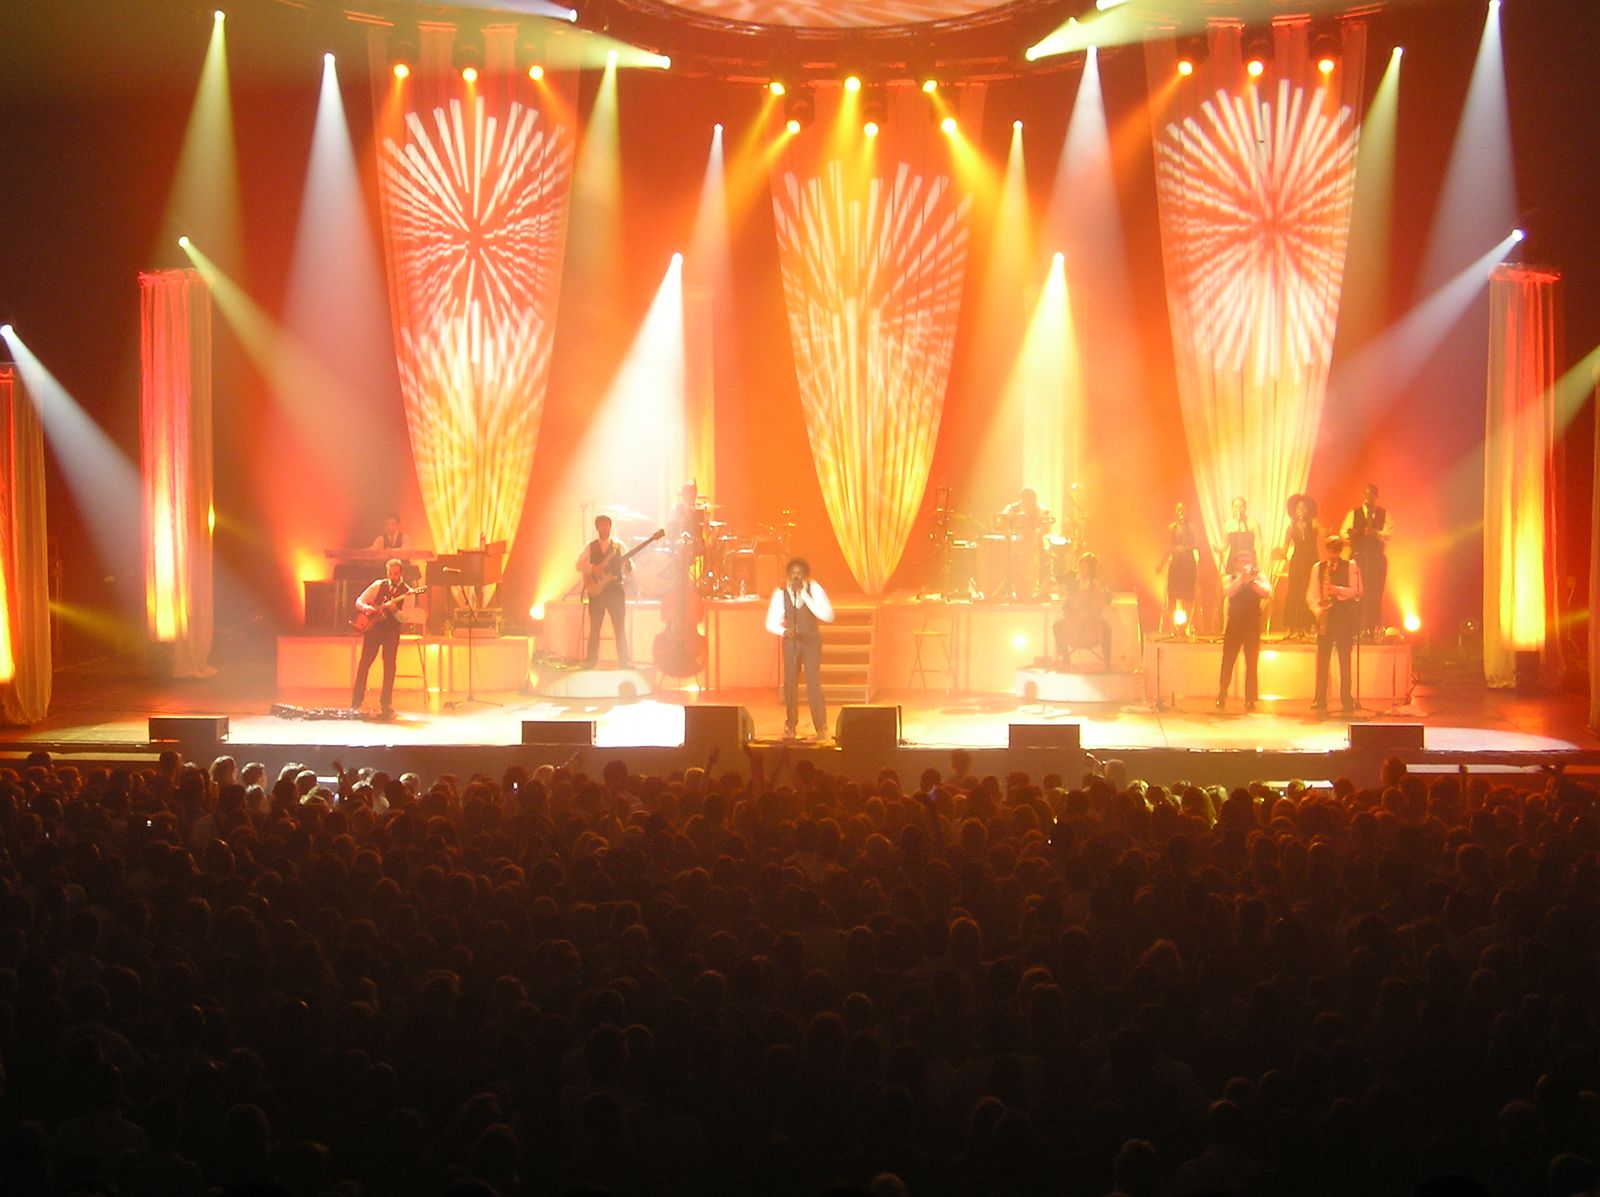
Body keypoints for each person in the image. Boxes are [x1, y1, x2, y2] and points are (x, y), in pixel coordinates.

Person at [765, 557, 834, 739]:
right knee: (790, 684)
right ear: (788, 575)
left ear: (805, 575)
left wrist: (805, 596)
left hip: (811, 642)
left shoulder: (814, 589)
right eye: (793, 573)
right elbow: (770, 622)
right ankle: (791, 724)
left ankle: (821, 726)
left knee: (813, 683)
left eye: (800, 573)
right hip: (792, 643)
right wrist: (783, 631)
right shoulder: (780, 593)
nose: (796, 577)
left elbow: (828, 615)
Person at [1308, 533, 1364, 714]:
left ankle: (1346, 699)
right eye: (1329, 552)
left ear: (1340, 551)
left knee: (1344, 659)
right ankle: (1320, 699)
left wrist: (1338, 590)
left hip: (1343, 616)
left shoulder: (1351, 566)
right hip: (1326, 616)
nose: (1331, 556)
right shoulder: (1318, 567)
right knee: (1322, 660)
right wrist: (1318, 611)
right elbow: (1311, 593)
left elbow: (1357, 590)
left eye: (1335, 552)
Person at [350, 558, 411, 718]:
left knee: (389, 666)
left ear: (401, 573)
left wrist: (395, 610)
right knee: (364, 664)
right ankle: (356, 703)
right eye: (390, 573)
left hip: (391, 631)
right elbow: (359, 601)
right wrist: (367, 608)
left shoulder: (408, 592)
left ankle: (386, 704)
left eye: (395, 573)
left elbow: (405, 618)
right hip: (374, 630)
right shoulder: (378, 585)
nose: (393, 577)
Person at [1216, 549, 1272, 712]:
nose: (1245, 564)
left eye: (1247, 561)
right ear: (1236, 564)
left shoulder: (1259, 578)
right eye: (1241, 561)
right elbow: (1229, 592)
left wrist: (1252, 581)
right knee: (1228, 659)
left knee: (1252, 662)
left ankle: (1250, 698)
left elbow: (1266, 592)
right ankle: (1222, 693)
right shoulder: (1229, 578)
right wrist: (1242, 578)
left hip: (1252, 624)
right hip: (1235, 624)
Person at [576, 514, 631, 670]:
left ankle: (624, 663)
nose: (604, 527)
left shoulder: (619, 546)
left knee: (619, 627)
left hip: (615, 590)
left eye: (607, 524)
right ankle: (591, 661)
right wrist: (593, 568)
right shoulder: (590, 546)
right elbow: (579, 565)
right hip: (597, 593)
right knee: (595, 628)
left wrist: (628, 565)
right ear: (597, 527)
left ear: (610, 526)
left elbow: (629, 570)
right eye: (601, 525)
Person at [1341, 483, 1391, 639]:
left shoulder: (1384, 514)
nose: (1368, 497)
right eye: (1366, 494)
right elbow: (1343, 533)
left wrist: (1375, 533)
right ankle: (1356, 628)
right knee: (1357, 593)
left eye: (1371, 494)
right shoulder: (1354, 513)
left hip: (1376, 558)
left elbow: (1389, 534)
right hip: (1359, 557)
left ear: (1376, 496)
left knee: (1375, 594)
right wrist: (1356, 533)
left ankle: (1371, 628)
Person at [1054, 552, 1112, 669]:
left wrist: (1092, 610)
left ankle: (1107, 662)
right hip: (1073, 617)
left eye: (1086, 567)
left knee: (1106, 628)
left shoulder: (1096, 584)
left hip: (1091, 619)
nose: (1082, 570)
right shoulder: (1072, 579)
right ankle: (1064, 658)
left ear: (1091, 569)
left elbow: (1104, 601)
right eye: (1081, 566)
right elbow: (1057, 581)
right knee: (1058, 626)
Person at [999, 488, 1053, 600]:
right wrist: (1009, 534)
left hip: (1034, 543)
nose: (1029, 502)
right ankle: (1008, 590)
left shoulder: (1039, 510)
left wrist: (1036, 534)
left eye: (1031, 499)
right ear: (1022, 499)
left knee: (1046, 559)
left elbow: (1046, 525)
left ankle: (1041, 590)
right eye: (1026, 498)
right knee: (1005, 560)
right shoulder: (1012, 509)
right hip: (1015, 543)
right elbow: (1001, 521)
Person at [1281, 495, 1321, 640]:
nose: (1301, 510)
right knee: (1294, 592)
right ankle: (1292, 626)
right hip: (1297, 560)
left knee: (1309, 591)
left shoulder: (1314, 522)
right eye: (1298, 508)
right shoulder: (1291, 526)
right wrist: (1283, 553)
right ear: (1294, 510)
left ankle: (1308, 626)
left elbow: (1323, 533)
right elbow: (1286, 545)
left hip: (1311, 560)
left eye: (1304, 507)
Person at [1158, 501, 1200, 634]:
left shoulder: (1193, 527)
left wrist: (1187, 548)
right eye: (1178, 509)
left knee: (1189, 595)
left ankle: (1187, 626)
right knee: (1173, 594)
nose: (1181, 512)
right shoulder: (1172, 527)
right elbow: (1168, 546)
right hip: (1176, 563)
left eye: (1183, 509)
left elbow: (1197, 544)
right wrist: (1161, 564)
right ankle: (1173, 627)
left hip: (1188, 562)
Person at [1219, 496, 1261, 572]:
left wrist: (1259, 562)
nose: (1238, 509)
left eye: (1241, 506)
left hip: (1249, 559)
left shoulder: (1253, 523)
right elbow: (1225, 545)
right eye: (1236, 506)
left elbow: (1259, 544)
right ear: (1232, 508)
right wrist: (1219, 550)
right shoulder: (1227, 525)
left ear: (1245, 508)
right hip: (1233, 560)